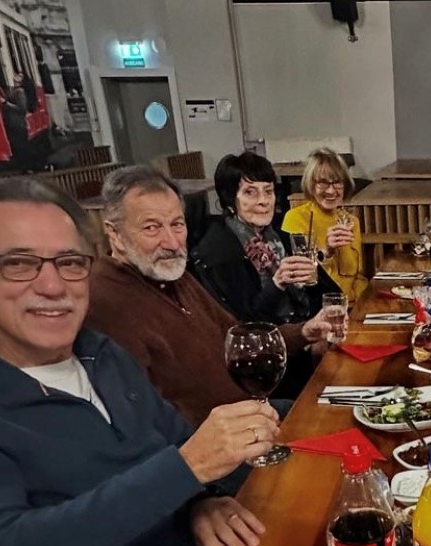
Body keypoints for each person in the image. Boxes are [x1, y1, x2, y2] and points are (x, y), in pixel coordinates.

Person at [0, 178, 279, 546]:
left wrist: (199, 503)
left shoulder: (99, 353)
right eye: (19, 263)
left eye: (69, 262)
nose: (53, 285)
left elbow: (175, 445)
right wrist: (185, 473)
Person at [86, 166, 333, 426]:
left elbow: (237, 339)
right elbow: (147, 419)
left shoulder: (173, 275)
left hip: (248, 410)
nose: (172, 243)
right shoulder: (105, 299)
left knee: (338, 411)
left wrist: (303, 332)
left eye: (177, 224)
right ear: (114, 234)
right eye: (151, 227)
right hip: (217, 436)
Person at [191, 150, 340, 323]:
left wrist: (313, 276)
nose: (264, 201)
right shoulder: (219, 252)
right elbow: (244, 323)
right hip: (271, 337)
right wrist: (278, 283)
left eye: (268, 191)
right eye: (250, 192)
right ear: (230, 200)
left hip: (308, 330)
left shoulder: (281, 236)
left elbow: (332, 294)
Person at [280, 148, 367, 301]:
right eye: (323, 183)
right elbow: (298, 282)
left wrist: (363, 303)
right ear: (311, 185)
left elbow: (358, 276)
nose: (331, 191)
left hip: (351, 305)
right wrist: (326, 251)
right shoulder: (295, 218)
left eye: (337, 182)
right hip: (319, 306)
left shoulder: (351, 221)